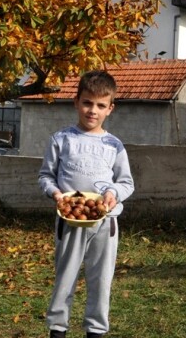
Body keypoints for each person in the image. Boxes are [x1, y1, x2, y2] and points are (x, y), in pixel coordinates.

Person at [38, 70, 134, 338]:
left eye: (101, 105)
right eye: (87, 103)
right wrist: (56, 194)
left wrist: (114, 193)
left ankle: (96, 330)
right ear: (76, 101)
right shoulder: (61, 139)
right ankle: (58, 329)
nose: (93, 110)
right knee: (65, 279)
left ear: (110, 109)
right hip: (70, 222)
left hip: (106, 223)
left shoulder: (114, 145)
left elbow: (127, 182)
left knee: (101, 281)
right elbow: (45, 175)